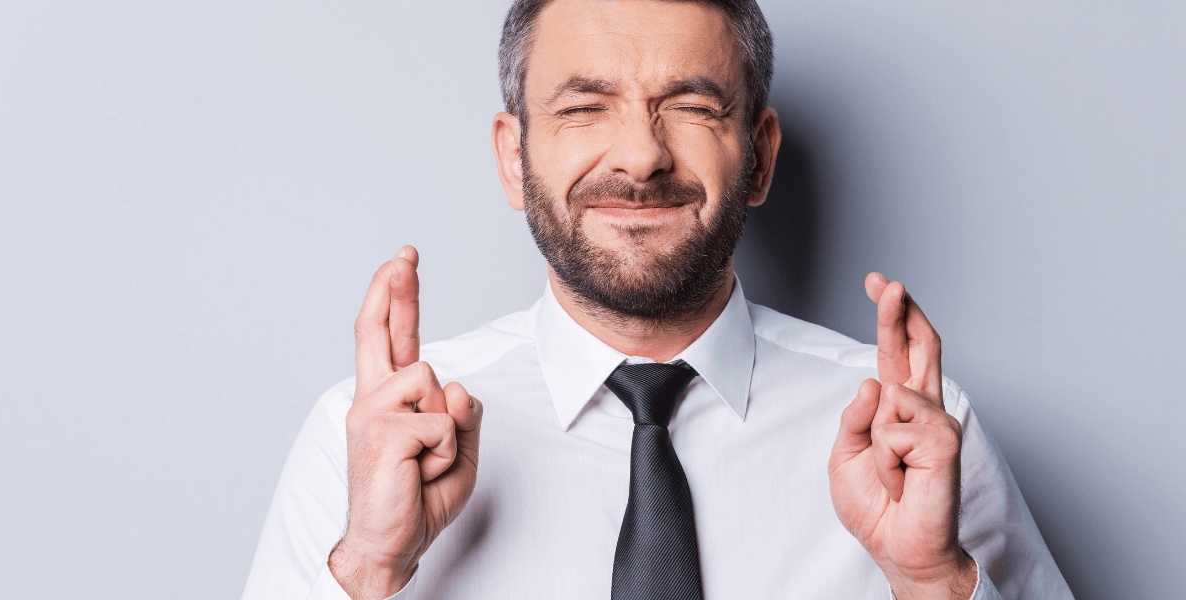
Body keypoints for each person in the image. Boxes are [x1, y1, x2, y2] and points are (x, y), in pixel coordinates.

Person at [242, 1, 1072, 599]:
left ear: (758, 156)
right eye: (583, 107)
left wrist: (934, 583)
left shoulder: (917, 436)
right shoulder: (364, 444)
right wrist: (366, 572)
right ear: (511, 157)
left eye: (690, 106)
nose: (640, 155)